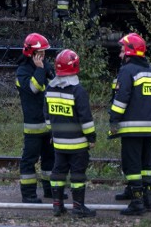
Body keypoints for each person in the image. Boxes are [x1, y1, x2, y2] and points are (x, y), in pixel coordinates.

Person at [108, 33, 151, 216]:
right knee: (147, 164)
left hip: (132, 127)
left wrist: (114, 119)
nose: (120, 54)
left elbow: (121, 99)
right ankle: (148, 198)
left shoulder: (127, 70)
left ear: (130, 51)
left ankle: (137, 202)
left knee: (132, 165)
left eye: (122, 50)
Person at [44, 49, 96, 218]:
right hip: (78, 144)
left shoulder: (50, 89)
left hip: (58, 143)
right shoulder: (77, 90)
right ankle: (78, 207)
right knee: (77, 174)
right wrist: (92, 137)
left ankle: (57, 206)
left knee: (58, 173)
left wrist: (52, 133)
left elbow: (47, 116)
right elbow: (85, 118)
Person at [15, 33, 58, 204]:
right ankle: (28, 195)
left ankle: (50, 191)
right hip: (33, 126)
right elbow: (34, 88)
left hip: (48, 125)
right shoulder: (22, 72)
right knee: (29, 162)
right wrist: (40, 69)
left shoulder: (45, 66)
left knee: (50, 160)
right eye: (41, 53)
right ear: (32, 54)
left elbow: (54, 83)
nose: (44, 56)